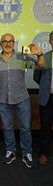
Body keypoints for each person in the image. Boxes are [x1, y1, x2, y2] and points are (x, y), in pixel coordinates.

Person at [0, 33, 45, 168]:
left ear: (14, 43)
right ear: (0, 43)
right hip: (2, 99)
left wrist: (39, 54)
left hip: (22, 99)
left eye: (10, 41)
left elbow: (40, 66)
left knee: (25, 128)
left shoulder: (22, 56)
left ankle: (27, 153)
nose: (8, 44)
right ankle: (10, 151)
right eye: (5, 41)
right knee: (7, 128)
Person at [33, 31, 53, 165]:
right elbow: (36, 77)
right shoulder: (44, 58)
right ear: (50, 41)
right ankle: (44, 153)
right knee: (45, 127)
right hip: (48, 98)